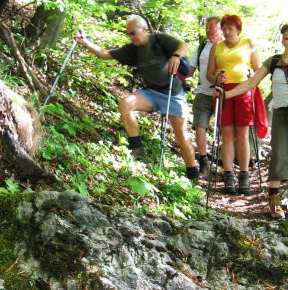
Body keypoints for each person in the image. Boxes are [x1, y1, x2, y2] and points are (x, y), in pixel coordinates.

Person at [216, 23, 288, 219]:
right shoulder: (273, 61)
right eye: (284, 32)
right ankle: (274, 199)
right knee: (278, 153)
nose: (286, 34)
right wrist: (227, 95)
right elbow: (251, 82)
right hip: (281, 113)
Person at [73, 15, 200, 183]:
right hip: (151, 93)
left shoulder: (159, 40)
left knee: (181, 136)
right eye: (129, 34)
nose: (131, 37)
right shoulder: (132, 49)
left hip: (172, 93)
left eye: (134, 33)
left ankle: (193, 174)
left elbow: (183, 45)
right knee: (125, 103)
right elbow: (105, 54)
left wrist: (175, 56)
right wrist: (84, 42)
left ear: (145, 29)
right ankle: (137, 148)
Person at [206, 14, 260, 195]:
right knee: (227, 133)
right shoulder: (217, 46)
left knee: (243, 134)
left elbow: (258, 69)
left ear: (238, 29)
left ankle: (244, 174)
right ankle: (228, 173)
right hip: (222, 91)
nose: (227, 32)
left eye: (231, 28)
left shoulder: (248, 43)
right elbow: (209, 74)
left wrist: (252, 76)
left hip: (244, 90)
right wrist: (216, 78)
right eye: (225, 28)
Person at [188, 16, 223, 176]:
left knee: (226, 130)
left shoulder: (227, 47)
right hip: (203, 92)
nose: (208, 30)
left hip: (224, 95)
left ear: (220, 28)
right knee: (199, 126)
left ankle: (225, 162)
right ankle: (204, 160)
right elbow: (190, 69)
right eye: (207, 27)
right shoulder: (202, 47)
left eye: (211, 27)